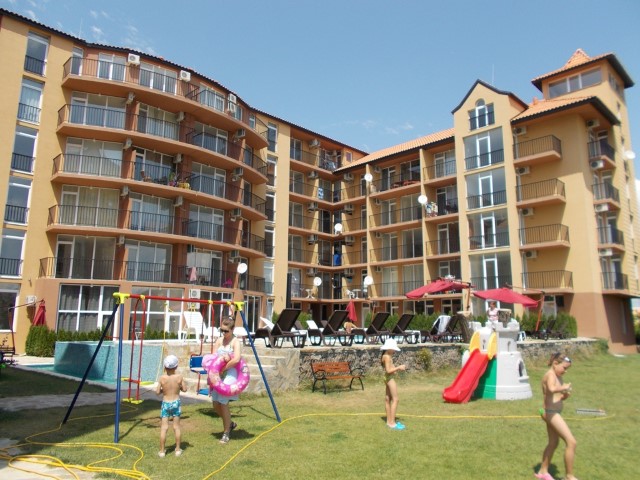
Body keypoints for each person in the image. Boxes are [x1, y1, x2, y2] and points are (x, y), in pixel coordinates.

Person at [535, 353, 577, 480]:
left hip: (553, 412)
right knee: (571, 442)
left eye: (567, 369)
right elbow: (552, 389)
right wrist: (563, 387)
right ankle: (569, 476)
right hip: (550, 412)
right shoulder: (550, 375)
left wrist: (564, 396)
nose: (565, 371)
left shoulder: (557, 376)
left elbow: (555, 396)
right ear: (555, 364)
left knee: (553, 442)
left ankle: (543, 471)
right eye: (564, 368)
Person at [209, 317, 242, 444]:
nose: (223, 333)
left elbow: (237, 359)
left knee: (223, 402)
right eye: (221, 330)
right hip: (218, 373)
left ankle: (226, 433)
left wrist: (224, 368)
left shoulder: (235, 342)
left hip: (230, 372)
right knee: (215, 404)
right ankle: (230, 423)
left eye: (226, 331)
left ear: (232, 329)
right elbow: (213, 357)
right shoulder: (219, 341)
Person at [155, 354, 187, 457]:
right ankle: (177, 449)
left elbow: (157, 392)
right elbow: (185, 389)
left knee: (164, 428)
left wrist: (163, 390)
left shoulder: (162, 378)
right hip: (176, 403)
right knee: (176, 427)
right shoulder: (179, 377)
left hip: (166, 403)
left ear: (165, 367)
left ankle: (162, 451)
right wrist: (179, 388)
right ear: (176, 366)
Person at [380, 338, 406, 430]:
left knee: (388, 399)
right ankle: (392, 423)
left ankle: (389, 421)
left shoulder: (386, 356)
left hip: (387, 378)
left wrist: (394, 368)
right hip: (389, 379)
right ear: (389, 348)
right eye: (394, 349)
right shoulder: (387, 357)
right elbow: (388, 370)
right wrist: (399, 367)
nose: (395, 350)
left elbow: (389, 368)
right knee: (396, 399)